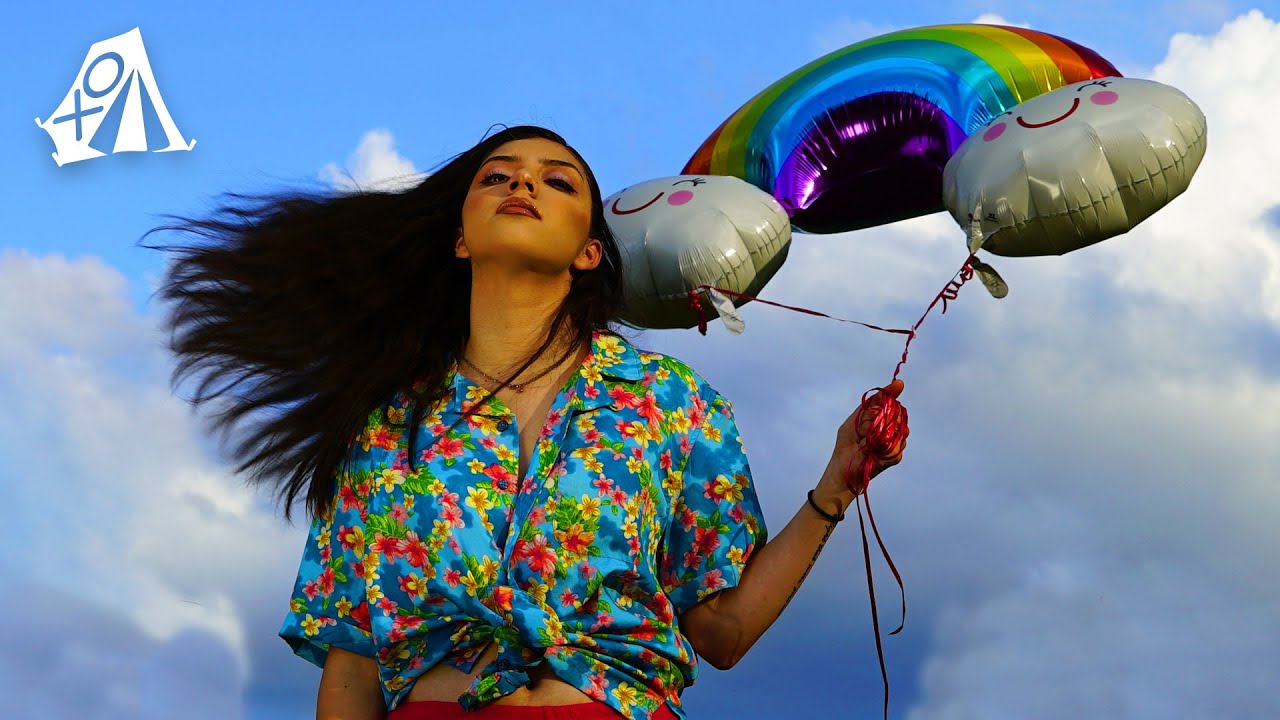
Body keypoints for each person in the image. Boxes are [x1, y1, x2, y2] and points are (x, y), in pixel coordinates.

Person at [142, 125, 908, 720]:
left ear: (588, 251)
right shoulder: (385, 425)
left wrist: (834, 488)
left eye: (557, 180)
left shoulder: (670, 402)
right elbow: (352, 663)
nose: (523, 183)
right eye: (497, 176)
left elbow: (723, 632)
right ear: (461, 237)